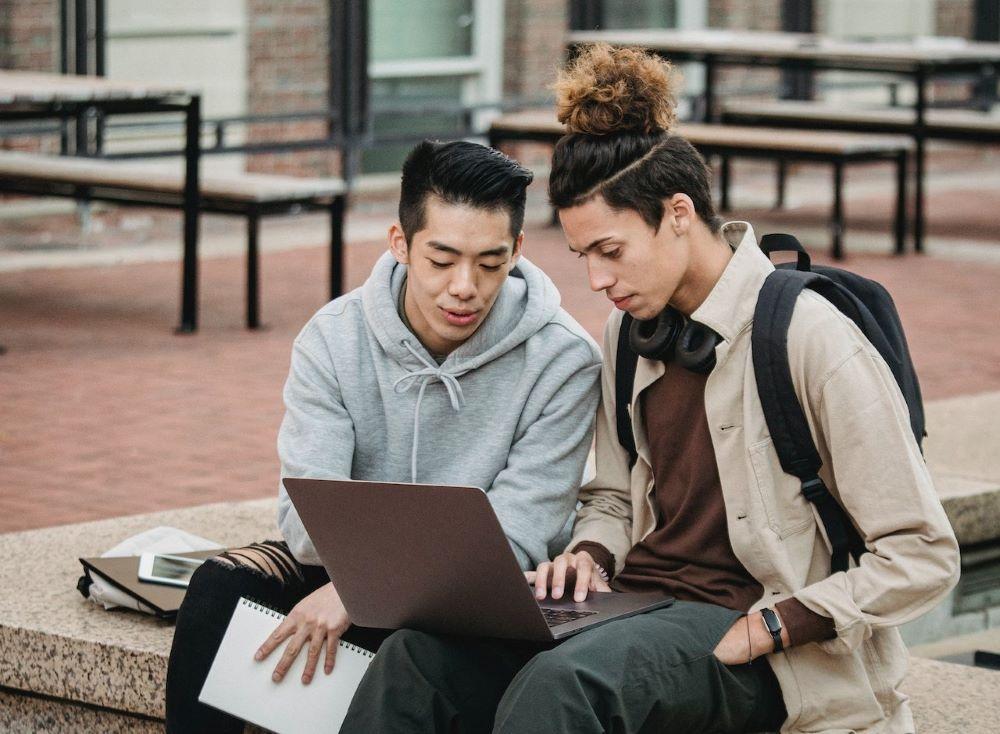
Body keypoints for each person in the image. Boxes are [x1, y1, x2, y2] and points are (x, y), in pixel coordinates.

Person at [341, 44, 960, 734]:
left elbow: (922, 552)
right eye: (583, 258)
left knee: (564, 688)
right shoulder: (627, 332)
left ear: (678, 213)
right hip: (630, 605)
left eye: (610, 251)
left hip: (754, 634)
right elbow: (611, 493)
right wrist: (590, 555)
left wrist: (779, 625)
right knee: (416, 661)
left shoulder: (808, 334)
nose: (597, 280)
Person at [164, 139, 602, 733]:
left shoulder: (564, 359)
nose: (465, 287)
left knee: (415, 647)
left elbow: (520, 531)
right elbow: (304, 514)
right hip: (349, 569)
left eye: (491, 263)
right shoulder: (333, 339)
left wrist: (366, 594)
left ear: (518, 250)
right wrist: (361, 587)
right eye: (441, 260)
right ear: (400, 243)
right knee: (220, 587)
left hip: (480, 593)